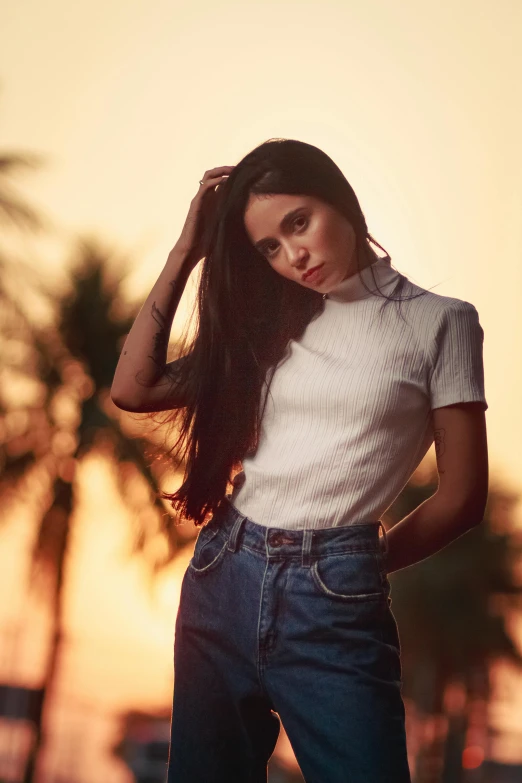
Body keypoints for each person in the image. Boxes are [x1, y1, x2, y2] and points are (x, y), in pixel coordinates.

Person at [110, 139, 489, 782]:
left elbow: (462, 498)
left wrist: (355, 565)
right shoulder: (274, 320)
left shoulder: (442, 324)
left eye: (298, 223)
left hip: (335, 600)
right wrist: (186, 253)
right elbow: (133, 389)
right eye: (270, 249)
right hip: (222, 573)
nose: (295, 257)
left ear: (339, 197)